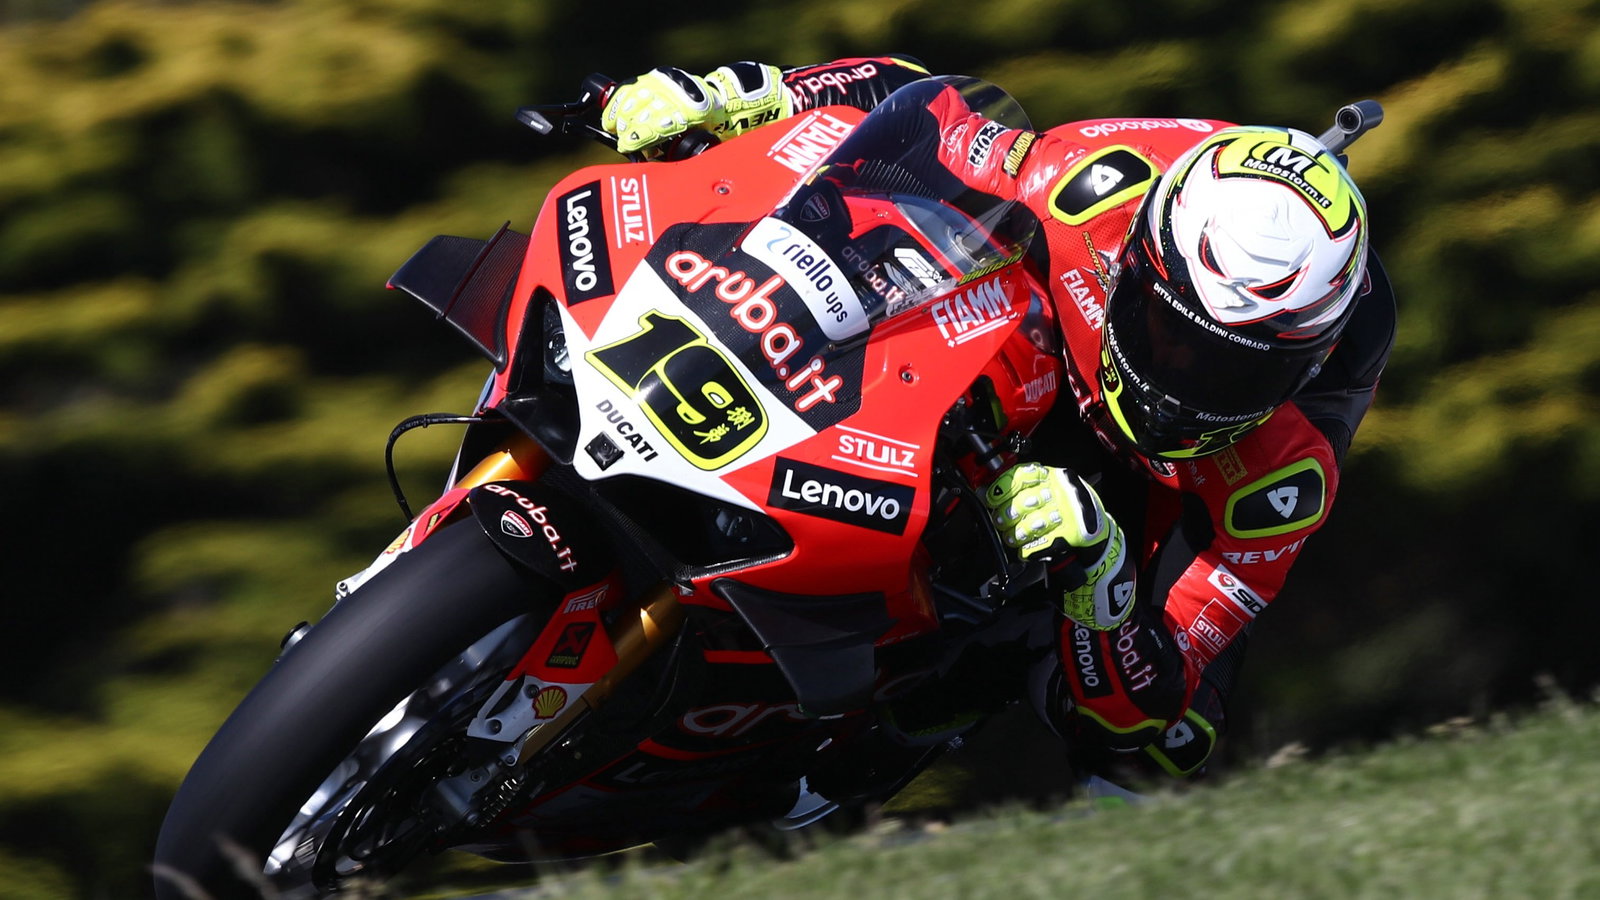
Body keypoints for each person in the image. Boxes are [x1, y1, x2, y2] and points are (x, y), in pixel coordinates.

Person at [599, 57, 1397, 784]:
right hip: (1041, 337)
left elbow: (1157, 696)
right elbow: (928, 111)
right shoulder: (1089, 184)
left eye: (1237, 368)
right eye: (1169, 332)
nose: (1183, 382)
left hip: (1153, 491)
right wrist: (743, 94)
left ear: (1306, 365)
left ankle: (896, 731)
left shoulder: (1283, 473)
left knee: (1168, 744)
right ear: (1135, 263)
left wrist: (1101, 580)